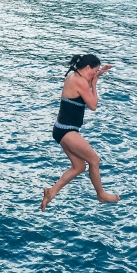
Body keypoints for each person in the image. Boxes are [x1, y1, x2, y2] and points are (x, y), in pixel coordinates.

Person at [41, 54, 120, 211]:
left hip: (60, 129)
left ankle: (51, 192)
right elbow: (93, 105)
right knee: (94, 160)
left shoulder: (73, 75)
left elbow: (86, 82)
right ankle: (101, 194)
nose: (94, 74)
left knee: (79, 166)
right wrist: (95, 84)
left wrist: (98, 74)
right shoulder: (80, 82)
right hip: (67, 131)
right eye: (94, 70)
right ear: (88, 67)